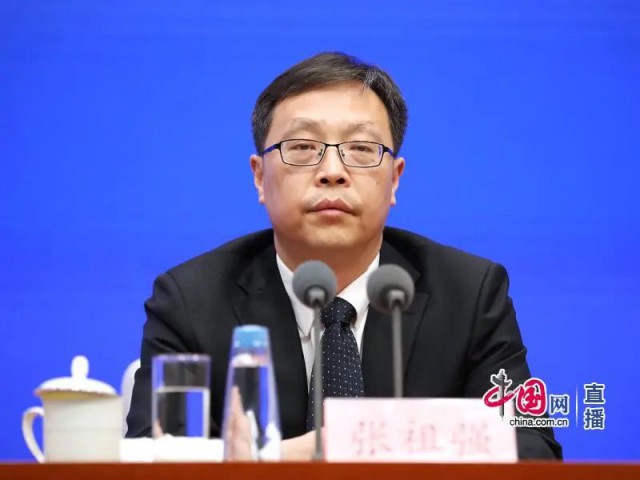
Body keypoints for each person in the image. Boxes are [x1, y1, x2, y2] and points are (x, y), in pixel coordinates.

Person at [126, 51, 562, 460]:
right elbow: (151, 457)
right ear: (259, 177)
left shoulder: (469, 294)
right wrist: (295, 456)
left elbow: (531, 448)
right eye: (302, 147)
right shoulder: (191, 301)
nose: (332, 172)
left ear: (394, 179)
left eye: (361, 149)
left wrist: (370, 445)